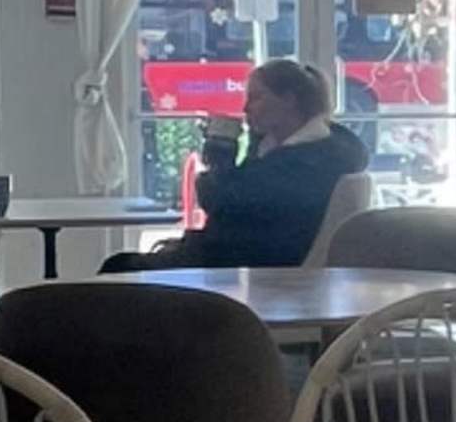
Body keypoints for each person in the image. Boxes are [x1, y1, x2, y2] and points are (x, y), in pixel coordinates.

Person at [110, 56, 371, 269]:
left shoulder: (301, 163)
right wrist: (256, 142)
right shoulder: (328, 150)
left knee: (116, 269)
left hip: (243, 269)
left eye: (257, 97)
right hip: (246, 261)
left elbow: (219, 200)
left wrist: (220, 147)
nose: (246, 108)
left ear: (289, 100)